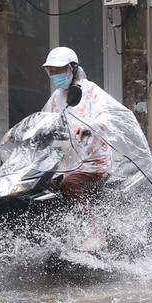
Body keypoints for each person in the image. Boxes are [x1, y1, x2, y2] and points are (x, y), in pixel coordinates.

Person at [40, 46, 129, 199]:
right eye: (51, 71)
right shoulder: (56, 97)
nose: (54, 75)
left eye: (59, 70)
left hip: (93, 163)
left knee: (69, 185)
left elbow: (105, 118)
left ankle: (90, 223)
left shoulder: (91, 91)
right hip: (67, 162)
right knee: (42, 186)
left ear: (72, 69)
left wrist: (88, 127)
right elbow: (45, 120)